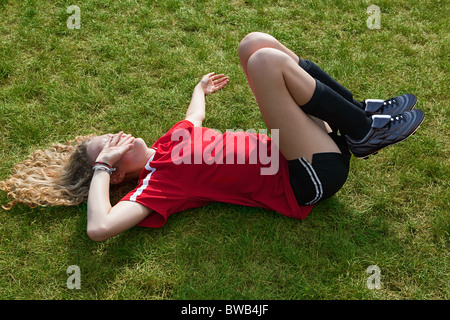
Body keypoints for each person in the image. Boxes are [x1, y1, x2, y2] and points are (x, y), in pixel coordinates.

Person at [0, 32, 424, 242]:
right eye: (110, 146)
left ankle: (360, 116)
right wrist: (99, 167)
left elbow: (194, 120)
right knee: (264, 64)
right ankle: (364, 130)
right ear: (114, 173)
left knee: (253, 44)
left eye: (110, 134)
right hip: (308, 177)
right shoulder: (157, 185)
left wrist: (198, 91)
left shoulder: (170, 142)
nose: (119, 136)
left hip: (306, 147)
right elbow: (100, 228)